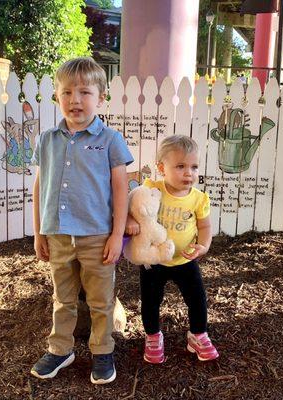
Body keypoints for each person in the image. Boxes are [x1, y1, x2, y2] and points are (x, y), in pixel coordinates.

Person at [30, 57, 133, 384]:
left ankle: (102, 351)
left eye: (85, 92)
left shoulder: (110, 140)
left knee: (101, 300)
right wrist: (39, 232)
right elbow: (40, 187)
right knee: (63, 297)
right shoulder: (47, 140)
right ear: (57, 96)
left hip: (97, 238)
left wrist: (117, 235)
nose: (75, 100)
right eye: (67, 92)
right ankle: (61, 349)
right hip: (58, 235)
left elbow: (121, 189)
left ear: (101, 98)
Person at [125, 135, 219, 364]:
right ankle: (153, 336)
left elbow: (205, 226)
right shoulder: (152, 189)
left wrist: (203, 246)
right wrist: (129, 219)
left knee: (197, 298)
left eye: (194, 167)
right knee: (150, 300)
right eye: (180, 166)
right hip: (154, 260)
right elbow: (131, 203)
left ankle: (197, 335)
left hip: (185, 261)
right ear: (161, 168)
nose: (189, 173)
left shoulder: (198, 198)